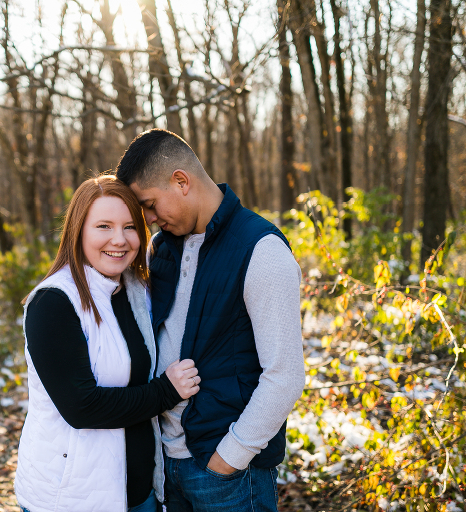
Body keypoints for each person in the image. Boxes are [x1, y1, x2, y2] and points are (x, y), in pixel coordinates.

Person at [115, 129, 305, 512]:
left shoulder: (261, 250)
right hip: (166, 464)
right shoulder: (160, 248)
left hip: (228, 473)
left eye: (150, 205)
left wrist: (229, 459)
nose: (149, 220)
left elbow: (285, 376)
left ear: (181, 181)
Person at [15, 175, 201, 512]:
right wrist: (166, 391)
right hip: (73, 499)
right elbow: (81, 407)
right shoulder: (53, 303)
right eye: (103, 226)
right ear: (78, 231)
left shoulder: (136, 291)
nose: (119, 239)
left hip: (140, 492)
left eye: (130, 226)